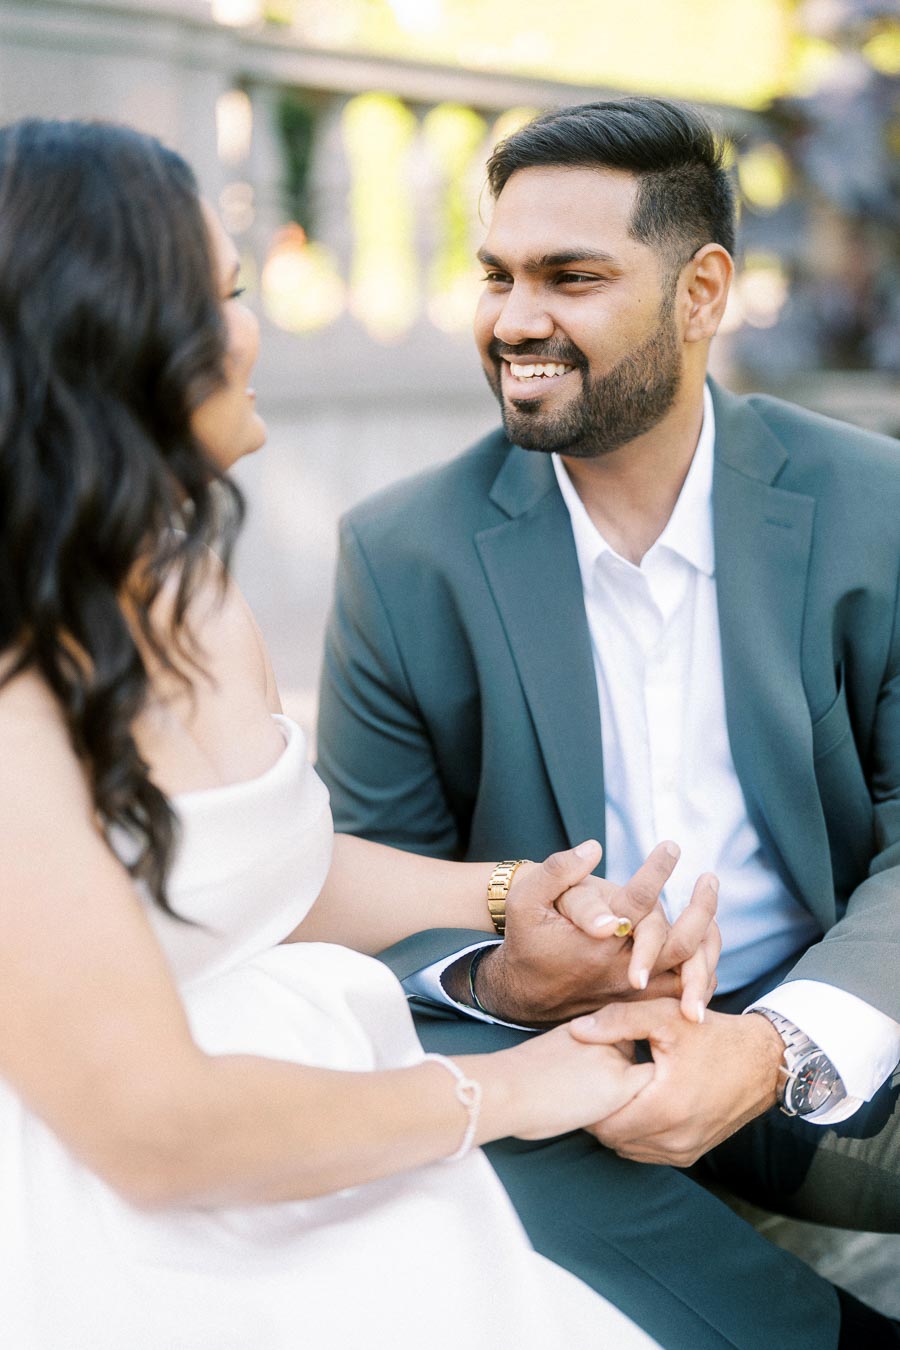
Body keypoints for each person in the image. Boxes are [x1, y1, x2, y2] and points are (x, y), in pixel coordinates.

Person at [0, 116, 696, 1350]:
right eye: (219, 295)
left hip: (340, 1135)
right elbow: (160, 1135)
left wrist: (513, 895)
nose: (252, 328)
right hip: (134, 1225)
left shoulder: (192, 585)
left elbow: (259, 868)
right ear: (103, 333)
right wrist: (516, 1091)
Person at [316, 96, 900, 1348]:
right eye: (498, 275)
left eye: (570, 278)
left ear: (703, 293)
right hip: (561, 1067)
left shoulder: (877, 507)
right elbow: (367, 902)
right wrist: (496, 970)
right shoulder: (402, 554)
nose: (516, 319)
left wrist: (777, 1048)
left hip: (840, 1034)